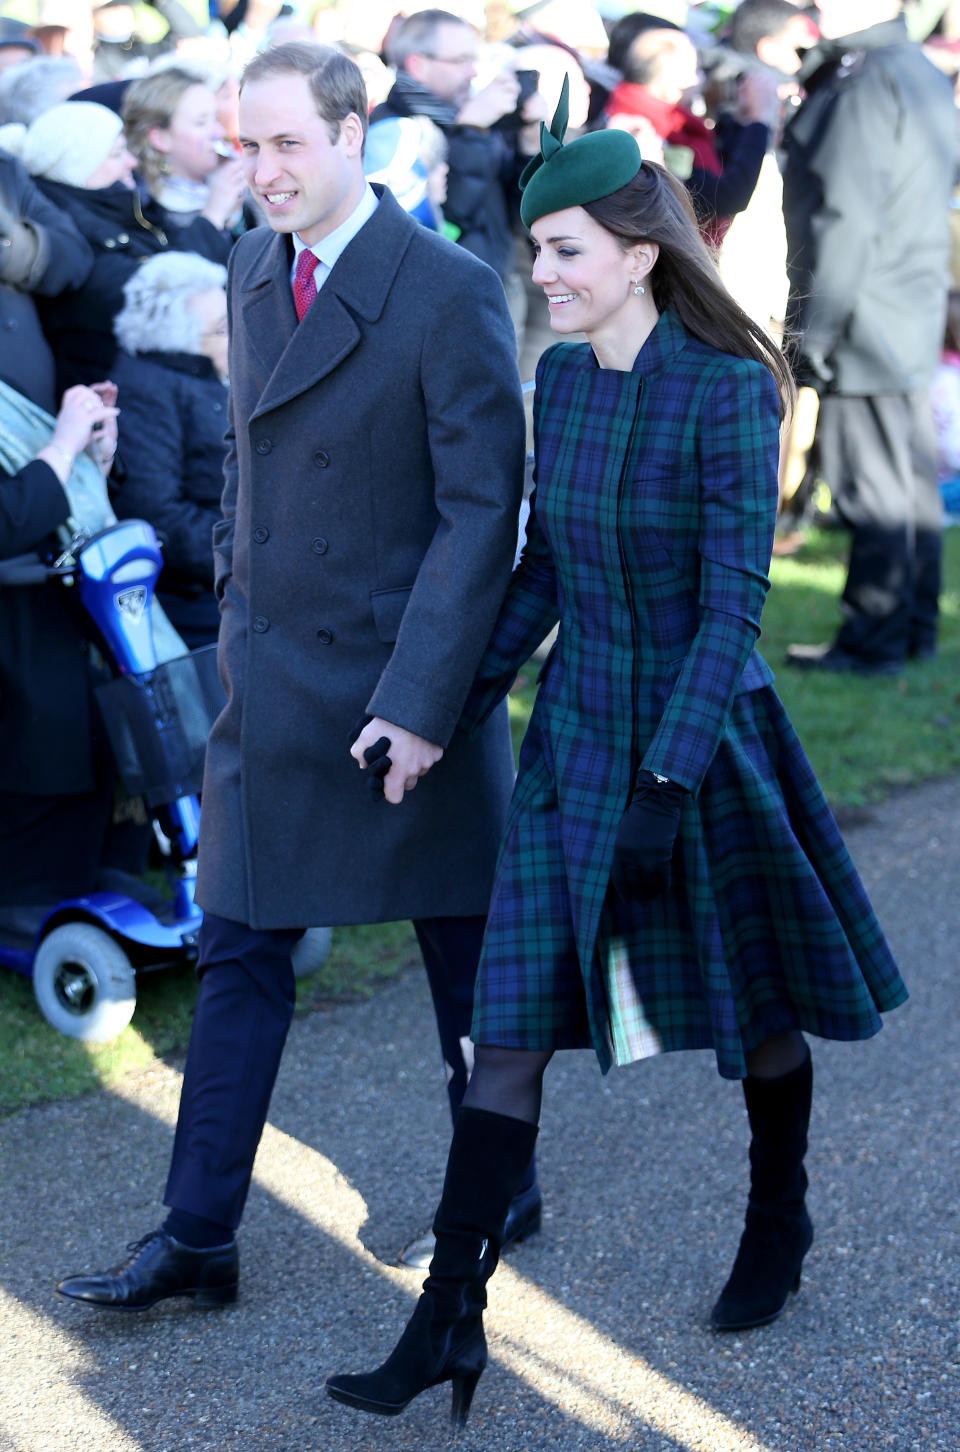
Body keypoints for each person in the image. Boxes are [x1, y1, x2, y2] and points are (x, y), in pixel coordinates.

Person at [325, 79, 908, 1428]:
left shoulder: (728, 392)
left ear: (641, 253)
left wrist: (667, 783)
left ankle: (782, 1214)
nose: (543, 273)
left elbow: (732, 614)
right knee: (507, 1033)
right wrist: (438, 713)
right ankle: (448, 1324)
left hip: (700, 742)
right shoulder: (562, 381)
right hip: (578, 740)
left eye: (565, 250)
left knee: (754, 1015)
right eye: (538, 251)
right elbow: (539, 576)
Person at [54, 40, 534, 1314]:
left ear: (353, 133)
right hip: (270, 675)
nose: (259, 171)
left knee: (463, 955)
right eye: (244, 143)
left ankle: (503, 1179)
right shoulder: (251, 258)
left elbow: (485, 513)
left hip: (406, 683)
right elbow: (255, 467)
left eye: (286, 145)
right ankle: (197, 1232)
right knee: (237, 944)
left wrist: (424, 704)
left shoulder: (448, 286)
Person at [781, 0, 955, 674]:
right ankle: (908, 627)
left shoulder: (867, 77)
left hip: (866, 313)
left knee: (875, 484)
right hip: (902, 304)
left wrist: (814, 328)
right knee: (905, 478)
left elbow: (842, 216)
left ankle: (874, 638)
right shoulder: (911, 66)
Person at [13, 98, 232, 392]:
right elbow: (166, 301)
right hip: (124, 401)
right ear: (79, 167)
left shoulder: (122, 209)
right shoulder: (77, 239)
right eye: (116, 154)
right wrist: (213, 216)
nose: (131, 161)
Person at [109, 251, 229, 648]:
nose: (239, 334)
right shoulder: (147, 391)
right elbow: (157, 514)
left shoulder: (202, 374)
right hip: (202, 606)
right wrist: (253, 554)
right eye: (223, 327)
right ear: (182, 340)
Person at [602, 10, 779, 247]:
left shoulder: (658, 115)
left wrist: (741, 121)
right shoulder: (643, 131)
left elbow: (716, 172)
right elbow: (723, 197)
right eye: (694, 69)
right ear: (669, 78)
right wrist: (759, 121)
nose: (700, 79)